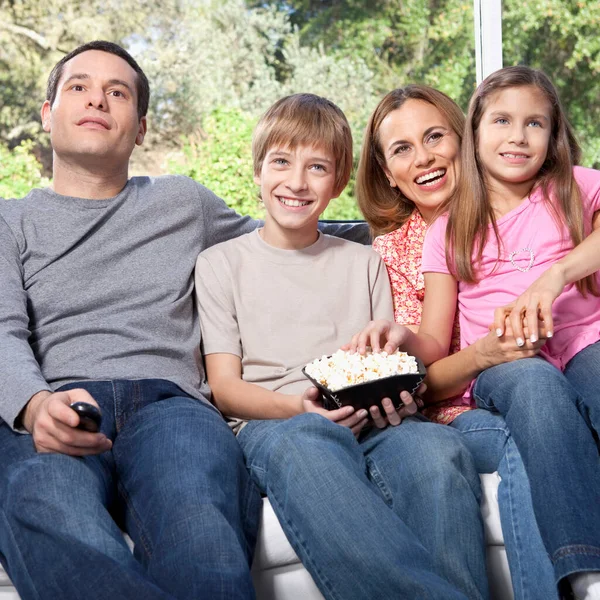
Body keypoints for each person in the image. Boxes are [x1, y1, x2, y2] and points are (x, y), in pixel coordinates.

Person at [0, 41, 366, 600]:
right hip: (61, 402)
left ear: (141, 127)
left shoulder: (183, 203)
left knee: (199, 524)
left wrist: (419, 235)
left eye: (116, 92)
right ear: (47, 114)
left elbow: (291, 227)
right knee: (45, 505)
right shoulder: (11, 220)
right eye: (78, 87)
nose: (97, 98)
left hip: (172, 406)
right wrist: (31, 406)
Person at [195, 92, 490, 600]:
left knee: (436, 448)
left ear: (337, 182)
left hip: (372, 422)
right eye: (281, 162)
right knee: (309, 443)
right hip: (279, 424)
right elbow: (225, 389)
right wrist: (298, 408)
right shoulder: (220, 263)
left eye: (317, 168)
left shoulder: (365, 261)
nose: (296, 181)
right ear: (258, 171)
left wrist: (398, 397)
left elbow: (386, 363)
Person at [359, 68, 600, 600]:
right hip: (484, 388)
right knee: (535, 400)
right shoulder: (423, 241)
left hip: (576, 349)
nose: (423, 158)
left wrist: (556, 276)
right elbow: (427, 358)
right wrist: (401, 338)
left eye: (434, 137)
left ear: (459, 136)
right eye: (402, 149)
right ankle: (583, 578)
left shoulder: (565, 192)